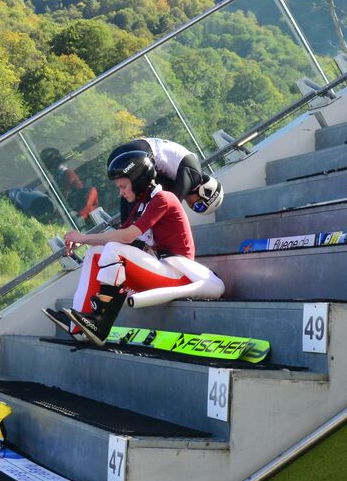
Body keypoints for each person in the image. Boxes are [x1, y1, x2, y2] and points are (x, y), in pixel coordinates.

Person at [46, 148, 224, 346]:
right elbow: (121, 236)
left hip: (179, 275)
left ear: (138, 181)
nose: (120, 192)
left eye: (123, 186)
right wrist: (85, 241)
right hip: (160, 269)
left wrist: (84, 237)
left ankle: (100, 322)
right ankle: (78, 328)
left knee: (113, 249)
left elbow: (127, 236)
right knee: (95, 253)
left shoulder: (163, 198)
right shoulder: (142, 204)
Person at [106, 138, 223, 217]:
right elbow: (172, 202)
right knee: (136, 193)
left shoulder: (179, 176)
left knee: (142, 194)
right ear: (206, 192)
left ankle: (126, 229)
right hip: (137, 153)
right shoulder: (194, 175)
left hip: (131, 152)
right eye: (199, 205)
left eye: (195, 209)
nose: (192, 205)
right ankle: (127, 231)